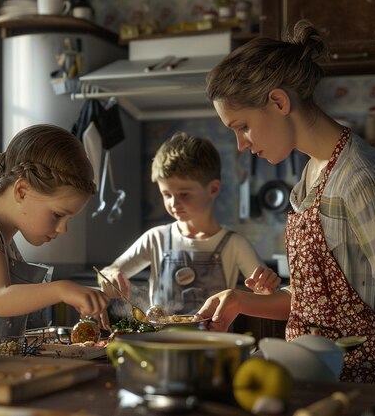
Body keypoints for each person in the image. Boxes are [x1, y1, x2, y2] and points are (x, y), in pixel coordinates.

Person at [196, 20, 375, 387]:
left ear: (278, 101)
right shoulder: (311, 175)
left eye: (241, 126)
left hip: (359, 386)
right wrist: (241, 300)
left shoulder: (361, 179)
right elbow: (317, 302)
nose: (242, 144)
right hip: (314, 379)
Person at [0, 124, 110, 336]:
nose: (63, 228)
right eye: (57, 214)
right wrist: (62, 289)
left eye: (69, 219)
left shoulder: (2, 239)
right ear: (22, 191)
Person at [98, 132, 280, 316]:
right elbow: (106, 273)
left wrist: (264, 288)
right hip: (160, 344)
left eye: (184, 194)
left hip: (215, 343)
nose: (173, 203)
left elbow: (266, 296)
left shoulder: (235, 245)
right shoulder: (156, 239)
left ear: (213, 189)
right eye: (166, 195)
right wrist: (110, 276)